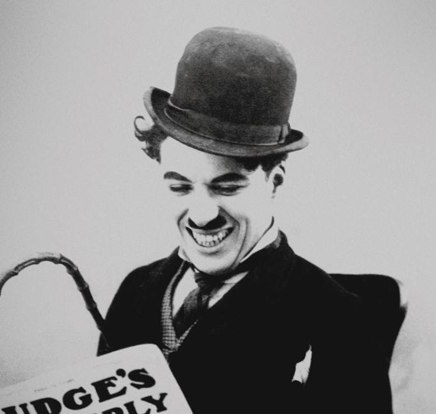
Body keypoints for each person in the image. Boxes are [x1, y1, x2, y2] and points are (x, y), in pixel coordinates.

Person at [97, 27, 402, 413]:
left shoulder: (343, 322)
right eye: (179, 187)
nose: (202, 215)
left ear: (275, 181)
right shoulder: (135, 289)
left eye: (227, 187)